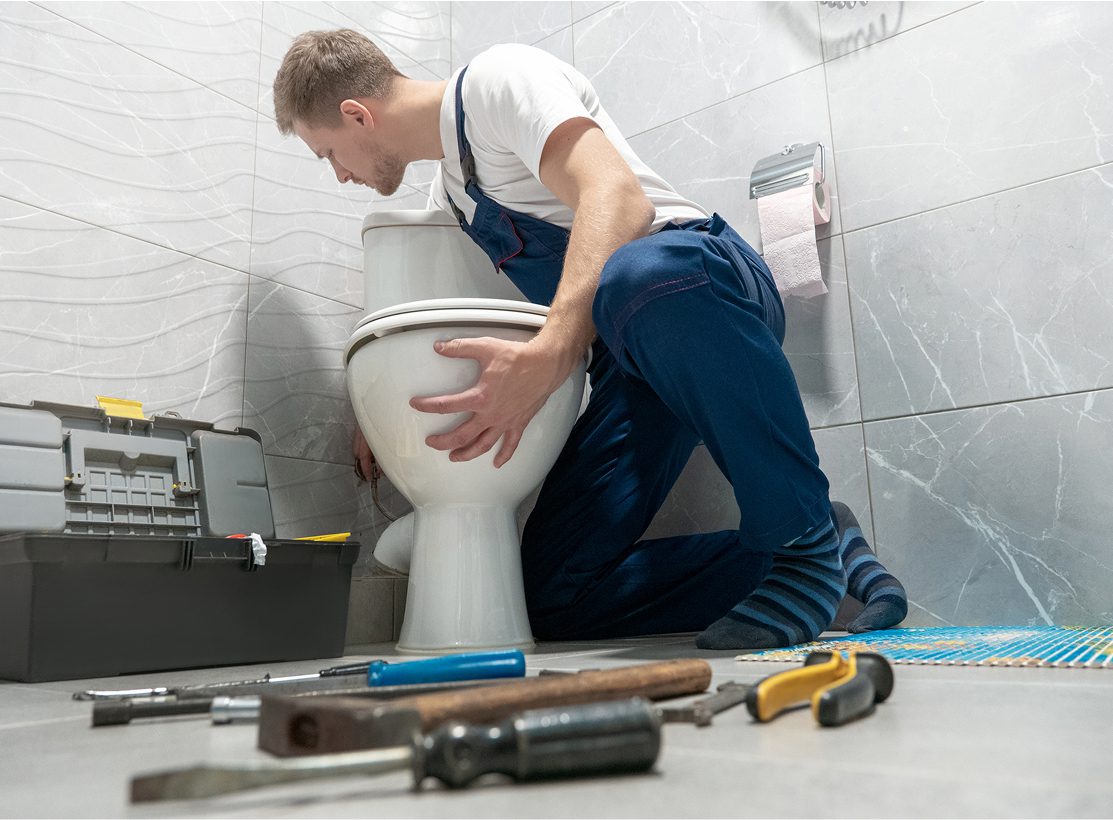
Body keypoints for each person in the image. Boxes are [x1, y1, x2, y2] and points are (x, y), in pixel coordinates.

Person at [273, 29, 908, 649]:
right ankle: (821, 546)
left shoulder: (500, 82)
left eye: (328, 154)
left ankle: (800, 544)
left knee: (638, 275)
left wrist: (553, 351)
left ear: (357, 115)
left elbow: (619, 200)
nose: (339, 175)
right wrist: (386, 408)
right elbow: (437, 308)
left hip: (699, 288)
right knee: (552, 594)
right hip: (630, 360)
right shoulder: (455, 196)